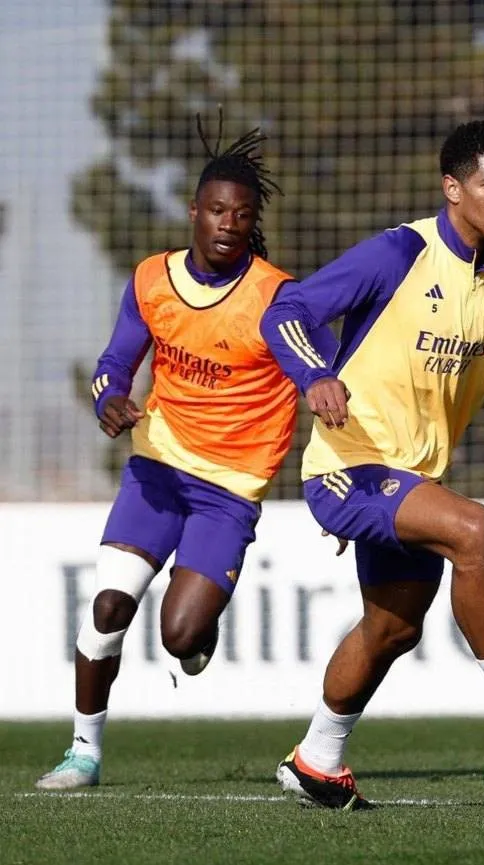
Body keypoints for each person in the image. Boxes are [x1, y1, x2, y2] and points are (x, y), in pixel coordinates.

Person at [260, 120, 484, 810]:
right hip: (347, 465)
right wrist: (316, 374)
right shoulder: (401, 253)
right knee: (473, 529)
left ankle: (315, 759)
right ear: (453, 188)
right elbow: (286, 311)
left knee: (393, 628)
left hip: (414, 479)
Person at [36, 114, 336, 790]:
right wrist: (109, 400)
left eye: (243, 215)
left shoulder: (275, 297)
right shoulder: (152, 279)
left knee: (179, 635)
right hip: (157, 470)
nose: (230, 223)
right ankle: (83, 752)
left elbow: (325, 372)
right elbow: (114, 363)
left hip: (228, 491)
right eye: (218, 210)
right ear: (194, 211)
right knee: (109, 608)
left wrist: (328, 407)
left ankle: (197, 629)